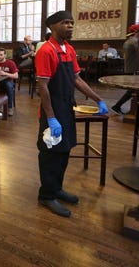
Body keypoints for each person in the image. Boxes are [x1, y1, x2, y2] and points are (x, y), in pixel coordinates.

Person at [35, 11, 108, 217]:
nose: (70, 26)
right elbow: (43, 86)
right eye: (65, 23)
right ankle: (46, 195)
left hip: (67, 108)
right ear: (52, 27)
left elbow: (77, 79)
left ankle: (56, 188)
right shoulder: (46, 51)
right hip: (52, 111)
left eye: (71, 23)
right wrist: (50, 117)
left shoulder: (69, 49)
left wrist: (98, 99)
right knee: (50, 154)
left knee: (64, 151)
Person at [112, 24, 139, 115]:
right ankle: (118, 106)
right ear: (136, 32)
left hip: (131, 68)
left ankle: (119, 106)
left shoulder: (129, 41)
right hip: (134, 69)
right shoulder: (134, 42)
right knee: (132, 90)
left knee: (132, 90)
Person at [0, 48, 18, 116]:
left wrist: (5, 73)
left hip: (8, 81)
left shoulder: (10, 63)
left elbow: (16, 76)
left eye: (1, 55)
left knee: (8, 86)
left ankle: (9, 107)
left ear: (5, 55)